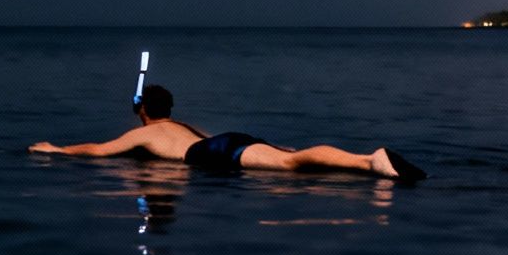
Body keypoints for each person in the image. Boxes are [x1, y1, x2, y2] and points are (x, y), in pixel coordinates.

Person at [28, 84, 426, 180]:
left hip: (213, 155)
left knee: (290, 166)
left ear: (143, 111)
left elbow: (98, 150)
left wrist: (56, 150)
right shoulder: (182, 125)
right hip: (225, 142)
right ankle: (362, 165)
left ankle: (368, 161)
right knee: (292, 162)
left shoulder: (146, 134)